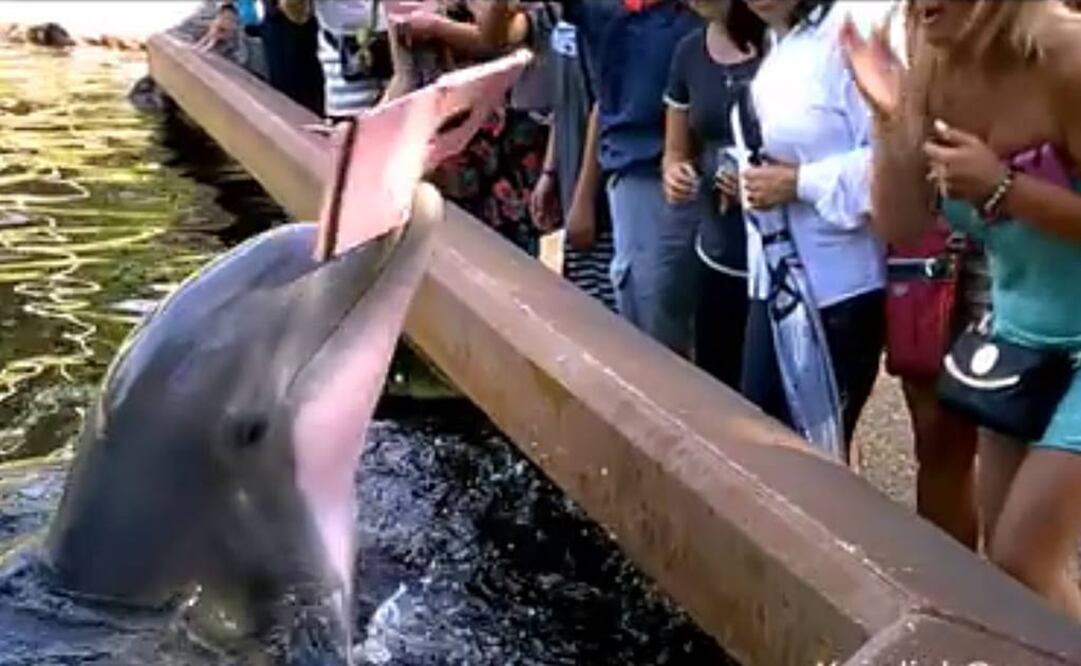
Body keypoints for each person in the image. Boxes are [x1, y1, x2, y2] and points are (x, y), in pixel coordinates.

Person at [844, 0, 1081, 618]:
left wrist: (1005, 188)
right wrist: (891, 119)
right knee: (1008, 580)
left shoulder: (1068, 59)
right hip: (1021, 337)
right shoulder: (934, 56)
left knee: (1022, 560)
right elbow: (902, 222)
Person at [738, 0, 886, 450]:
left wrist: (799, 183)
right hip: (774, 281)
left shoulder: (857, 26)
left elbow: (899, 161)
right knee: (763, 449)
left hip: (840, 291)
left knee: (809, 463)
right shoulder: (781, 37)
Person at [662, 0, 764, 387]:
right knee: (717, 383)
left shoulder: (779, 45)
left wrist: (760, 181)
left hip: (775, 261)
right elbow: (675, 150)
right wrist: (675, 175)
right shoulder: (688, 51)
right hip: (717, 253)